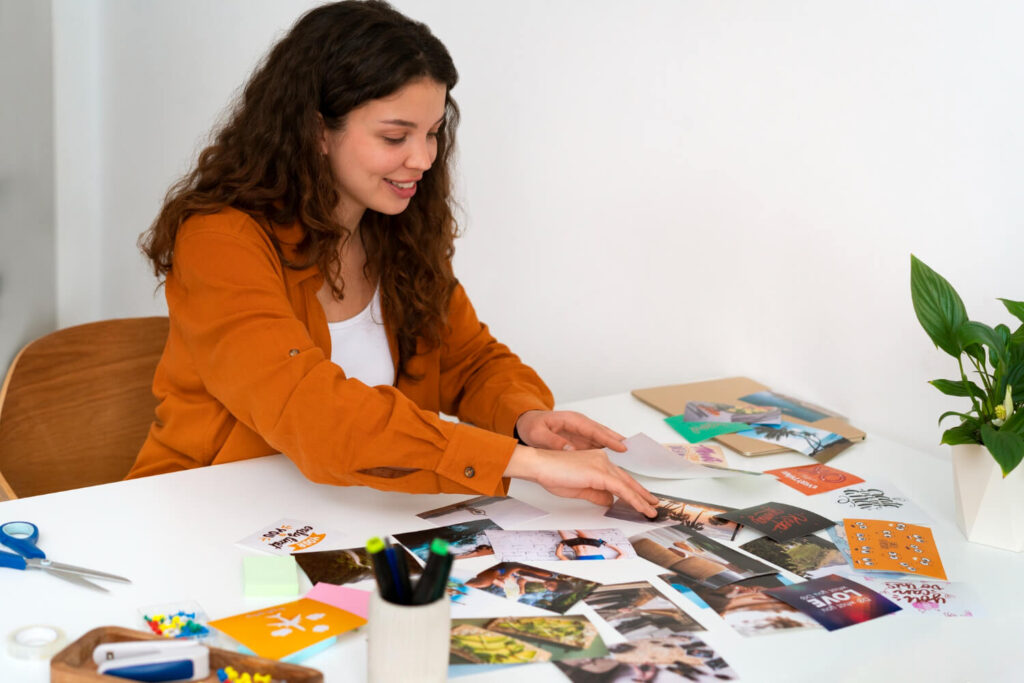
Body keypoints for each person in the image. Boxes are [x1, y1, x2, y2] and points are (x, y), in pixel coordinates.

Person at [125, 0, 657, 518]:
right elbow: (315, 414)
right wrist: (520, 462)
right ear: (316, 131)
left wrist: (527, 418)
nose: (423, 159)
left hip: (347, 515)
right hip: (203, 518)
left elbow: (468, 362)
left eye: (431, 134)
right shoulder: (220, 241)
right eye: (395, 136)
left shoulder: (394, 231)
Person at [555, 529, 624, 560]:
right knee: (576, 523)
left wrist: (562, 543)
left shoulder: (577, 569)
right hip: (592, 542)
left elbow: (559, 555)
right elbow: (623, 554)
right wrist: (605, 543)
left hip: (573, 543)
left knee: (560, 526)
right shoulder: (606, 566)